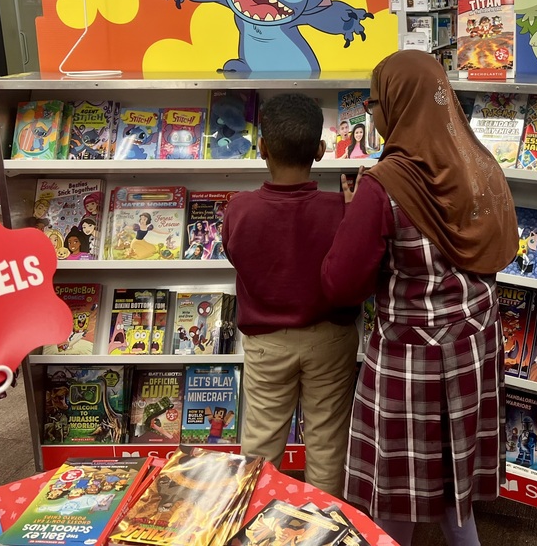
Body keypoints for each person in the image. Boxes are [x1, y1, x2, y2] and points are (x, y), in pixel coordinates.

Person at [321, 50, 518, 546]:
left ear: (398, 104)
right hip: (473, 348)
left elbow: (341, 283)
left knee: (394, 492)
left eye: (375, 103)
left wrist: (352, 222)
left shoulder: (382, 186)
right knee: (456, 484)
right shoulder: (479, 164)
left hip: (410, 363)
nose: (374, 114)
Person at [222, 92, 359, 498]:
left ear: (261, 147)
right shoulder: (340, 209)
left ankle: (247, 520)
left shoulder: (239, 210)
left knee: (260, 444)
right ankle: (323, 527)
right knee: (328, 440)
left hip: (265, 344)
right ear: (319, 151)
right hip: (330, 339)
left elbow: (236, 255)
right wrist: (352, 216)